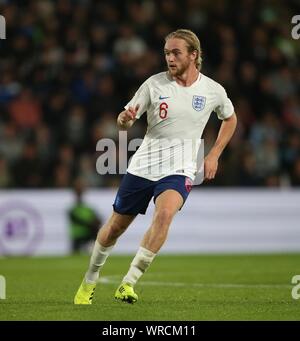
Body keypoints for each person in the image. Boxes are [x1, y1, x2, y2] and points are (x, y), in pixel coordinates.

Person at [74, 29, 237, 304]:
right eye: (167, 53)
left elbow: (230, 119)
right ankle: (89, 280)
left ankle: (128, 282)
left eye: (176, 53)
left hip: (181, 169)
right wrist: (125, 119)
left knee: (164, 215)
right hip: (144, 167)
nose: (170, 58)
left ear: (193, 55)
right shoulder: (154, 85)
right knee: (115, 227)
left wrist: (214, 154)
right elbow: (124, 120)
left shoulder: (213, 90)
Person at [69, 177, 102, 253]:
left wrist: (94, 223)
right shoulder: (73, 210)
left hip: (87, 233)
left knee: (97, 230)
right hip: (78, 236)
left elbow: (98, 219)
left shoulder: (88, 209)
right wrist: (91, 223)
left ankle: (94, 248)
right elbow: (76, 220)